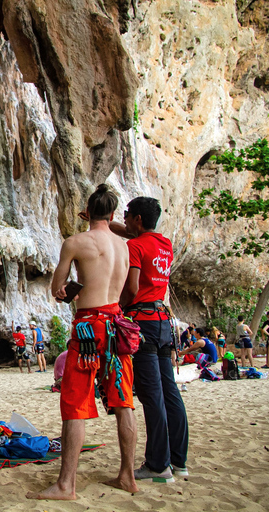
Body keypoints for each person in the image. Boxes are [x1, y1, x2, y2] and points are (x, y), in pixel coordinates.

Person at [27, 184, 138, 501]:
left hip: (89, 327)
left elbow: (57, 288)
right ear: (114, 215)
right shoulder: (125, 247)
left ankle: (65, 485)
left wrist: (73, 289)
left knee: (74, 406)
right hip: (117, 326)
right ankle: (127, 477)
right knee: (123, 401)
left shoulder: (75, 243)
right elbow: (126, 290)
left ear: (87, 212)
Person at [112, 196, 189, 483]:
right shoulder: (164, 244)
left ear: (138, 219)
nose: (126, 220)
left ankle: (158, 465)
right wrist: (108, 223)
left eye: (127, 215)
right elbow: (134, 233)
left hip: (142, 322)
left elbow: (131, 288)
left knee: (151, 395)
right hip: (163, 323)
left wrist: (119, 308)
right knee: (170, 392)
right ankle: (179, 461)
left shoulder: (134, 247)